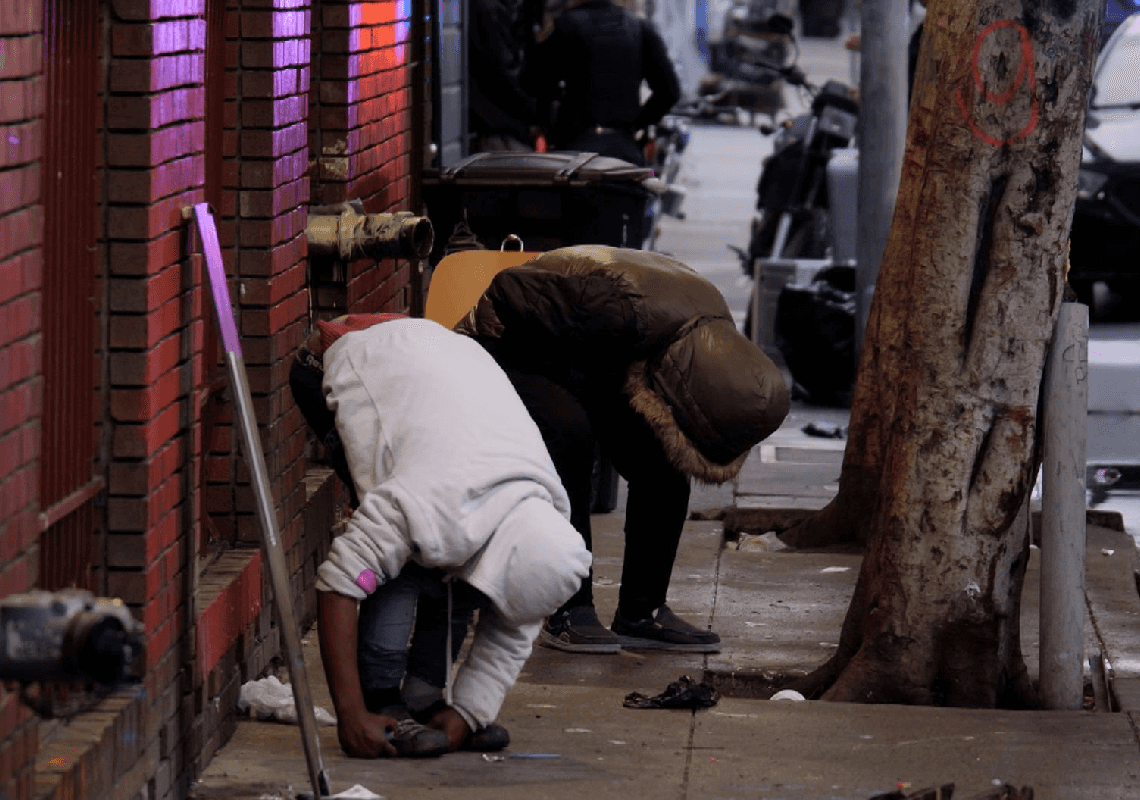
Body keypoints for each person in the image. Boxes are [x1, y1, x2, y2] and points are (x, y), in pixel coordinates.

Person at [455, 246, 790, 654]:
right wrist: (583, 389)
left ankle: (641, 613)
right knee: (569, 438)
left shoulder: (706, 333)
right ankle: (567, 609)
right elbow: (509, 290)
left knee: (663, 465)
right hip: (505, 339)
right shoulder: (618, 312)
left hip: (595, 352)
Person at [303, 316, 591, 757]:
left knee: (449, 564)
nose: (486, 616)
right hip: (347, 350)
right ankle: (381, 697)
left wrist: (467, 716)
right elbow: (340, 584)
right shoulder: (429, 504)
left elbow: (511, 636)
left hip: (434, 361)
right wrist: (350, 715)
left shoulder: (546, 534)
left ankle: (423, 696)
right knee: (405, 560)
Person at [524, 0, 682, 165]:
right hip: (623, 149)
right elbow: (669, 91)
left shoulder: (565, 25)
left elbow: (533, 82)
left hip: (574, 149)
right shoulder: (638, 27)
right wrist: (637, 123)